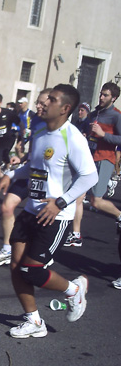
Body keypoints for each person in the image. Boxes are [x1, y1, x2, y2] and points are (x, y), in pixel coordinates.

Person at [0, 84, 97, 338]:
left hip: (56, 216)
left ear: (65, 108)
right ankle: (34, 322)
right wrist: (11, 174)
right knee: (16, 267)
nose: (43, 103)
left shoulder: (72, 137)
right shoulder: (40, 131)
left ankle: (73, 290)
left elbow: (89, 177)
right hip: (31, 210)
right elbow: (34, 168)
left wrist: (61, 202)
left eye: (50, 99)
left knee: (32, 270)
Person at [0, 90, 49, 267]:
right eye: (37, 102)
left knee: (41, 216)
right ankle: (7, 250)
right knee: (7, 206)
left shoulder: (59, 128)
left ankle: (42, 254)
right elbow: (34, 152)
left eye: (42, 103)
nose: (37, 106)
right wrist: (22, 159)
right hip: (30, 171)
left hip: (48, 179)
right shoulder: (36, 121)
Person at [66, 83, 121, 247]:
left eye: (105, 95)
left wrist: (103, 135)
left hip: (105, 158)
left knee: (96, 201)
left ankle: (119, 214)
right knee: (78, 197)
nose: (101, 97)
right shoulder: (95, 114)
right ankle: (75, 235)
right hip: (89, 158)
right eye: (101, 94)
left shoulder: (116, 116)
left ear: (114, 98)